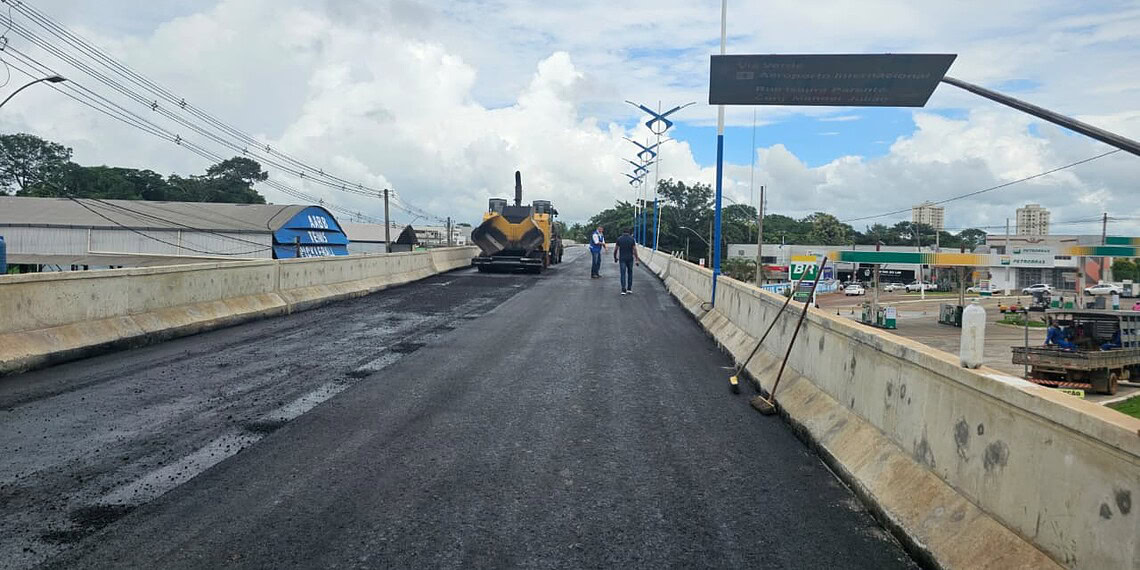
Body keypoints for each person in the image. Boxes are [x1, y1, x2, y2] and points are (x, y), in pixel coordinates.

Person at [613, 227, 640, 294]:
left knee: (623, 274)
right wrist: (637, 259)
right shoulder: (632, 239)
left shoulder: (619, 239)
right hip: (630, 258)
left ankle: (623, 289)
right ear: (629, 232)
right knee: (630, 273)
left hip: (622, 258)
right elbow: (634, 250)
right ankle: (629, 289)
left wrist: (615, 258)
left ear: (623, 232)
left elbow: (616, 249)